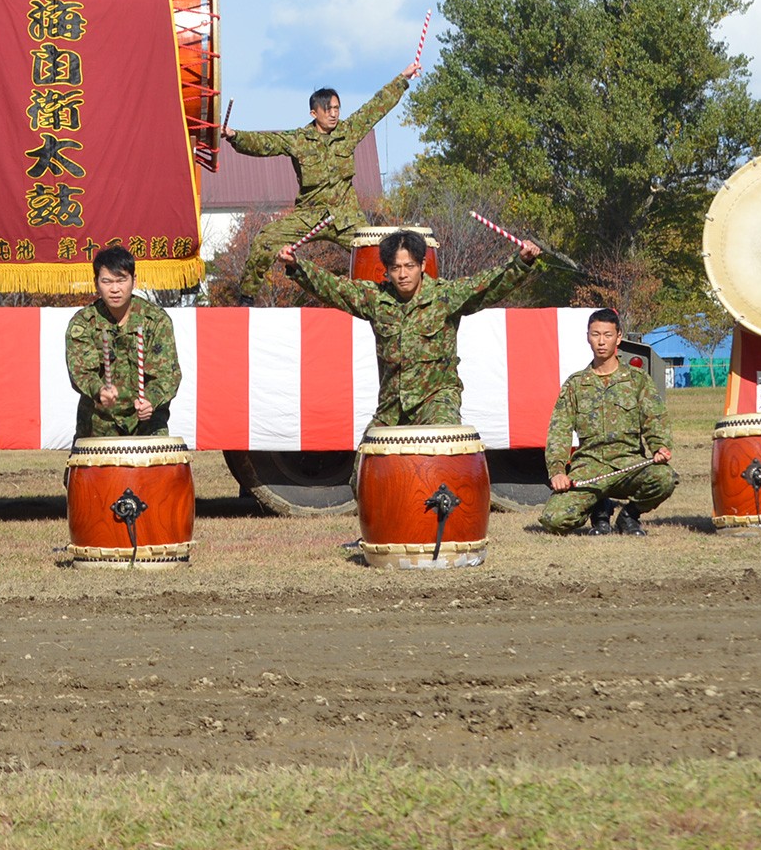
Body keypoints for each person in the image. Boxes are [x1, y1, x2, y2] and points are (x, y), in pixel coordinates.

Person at [282, 227, 538, 426]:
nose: (403, 274)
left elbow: (488, 284)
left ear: (422, 266)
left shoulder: (445, 296)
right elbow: (333, 287)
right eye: (395, 268)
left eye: (409, 267)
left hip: (436, 401)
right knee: (365, 467)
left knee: (442, 447)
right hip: (392, 406)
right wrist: (296, 265)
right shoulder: (375, 299)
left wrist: (521, 263)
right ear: (387, 270)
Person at [225, 65, 418, 299]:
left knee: (379, 252)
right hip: (309, 215)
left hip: (345, 217)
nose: (334, 114)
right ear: (314, 113)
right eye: (328, 109)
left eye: (337, 108)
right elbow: (265, 142)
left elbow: (375, 107)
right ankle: (246, 298)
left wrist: (402, 79)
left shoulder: (349, 131)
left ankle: (397, 298)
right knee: (265, 240)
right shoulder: (298, 139)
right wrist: (235, 136)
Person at [540, 309, 675, 536]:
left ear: (618, 337)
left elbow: (655, 419)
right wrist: (557, 472)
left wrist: (660, 447)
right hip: (588, 470)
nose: (601, 342)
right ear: (588, 337)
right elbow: (559, 431)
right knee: (554, 520)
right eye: (595, 335)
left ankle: (628, 516)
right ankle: (598, 507)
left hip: (627, 465)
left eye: (608, 335)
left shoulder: (637, 380)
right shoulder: (576, 384)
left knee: (664, 478)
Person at [65, 246, 182, 437]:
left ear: (134, 280)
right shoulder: (84, 323)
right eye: (107, 281)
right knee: (87, 466)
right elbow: (81, 372)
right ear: (96, 283)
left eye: (121, 280)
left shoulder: (156, 321)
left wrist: (151, 400)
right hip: (99, 423)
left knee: (161, 465)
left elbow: (167, 374)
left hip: (146, 421)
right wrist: (100, 391)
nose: (115, 289)